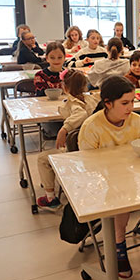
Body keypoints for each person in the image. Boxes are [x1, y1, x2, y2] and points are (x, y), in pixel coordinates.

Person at [79, 76, 140, 277]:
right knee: (121, 196)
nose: (130, 107)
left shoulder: (137, 121)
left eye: (132, 101)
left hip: (134, 174)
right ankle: (119, 243)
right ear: (107, 103)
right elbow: (88, 168)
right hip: (105, 181)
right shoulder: (92, 127)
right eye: (124, 103)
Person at [36, 69, 99, 209]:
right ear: (85, 86)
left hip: (77, 150)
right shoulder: (91, 99)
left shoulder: (74, 103)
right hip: (93, 145)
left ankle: (50, 198)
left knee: (42, 158)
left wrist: (64, 129)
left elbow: (80, 114)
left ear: (64, 87)